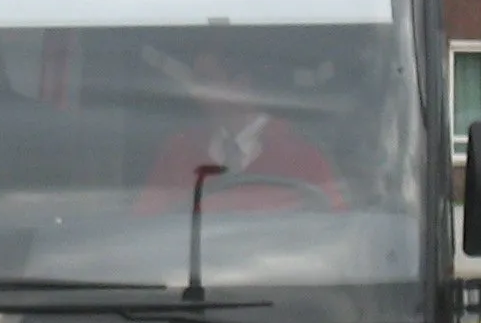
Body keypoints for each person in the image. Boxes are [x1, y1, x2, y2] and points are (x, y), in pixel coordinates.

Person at [134, 49, 340, 215]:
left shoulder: (303, 154)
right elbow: (145, 225)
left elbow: (337, 231)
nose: (194, 92)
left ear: (240, 86)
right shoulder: (178, 151)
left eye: (206, 81)